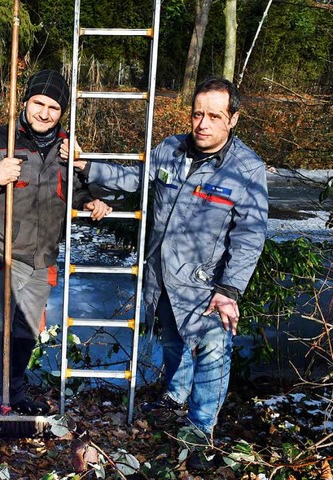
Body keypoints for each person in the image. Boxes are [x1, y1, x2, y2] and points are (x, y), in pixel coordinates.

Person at [64, 77, 268, 470]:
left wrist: (229, 289)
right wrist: (88, 167)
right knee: (173, 342)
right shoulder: (170, 150)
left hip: (208, 283)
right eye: (197, 114)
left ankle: (199, 427)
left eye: (214, 116)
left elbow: (249, 235)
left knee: (211, 350)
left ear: (234, 119)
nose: (202, 124)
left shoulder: (246, 169)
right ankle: (175, 398)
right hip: (162, 274)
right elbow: (136, 179)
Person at [0, 69, 112, 461]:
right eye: (38, 103)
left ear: (62, 112)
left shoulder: (64, 149)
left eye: (53, 107)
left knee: (24, 335)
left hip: (40, 258)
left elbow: (72, 192)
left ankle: (15, 395)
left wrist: (91, 200)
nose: (44, 112)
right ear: (25, 101)